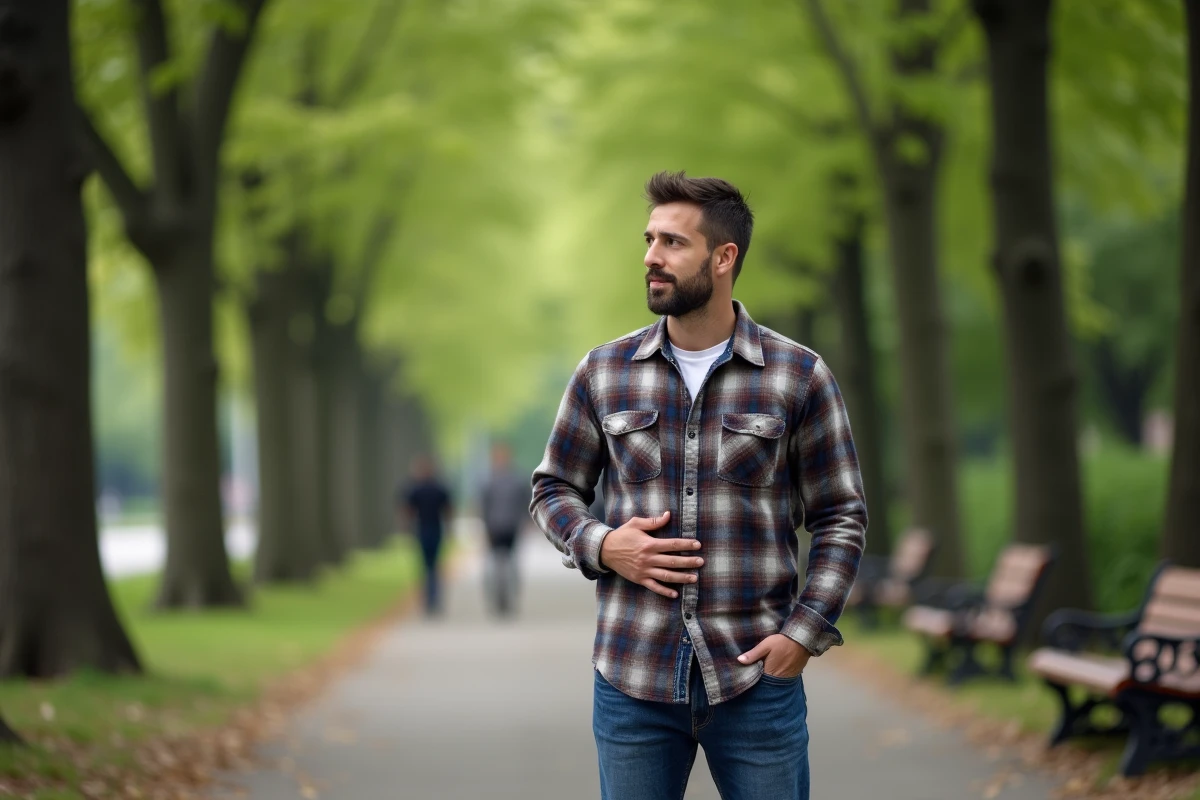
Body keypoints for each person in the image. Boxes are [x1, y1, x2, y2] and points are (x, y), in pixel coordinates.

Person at [530, 171, 867, 800]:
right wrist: (603, 545)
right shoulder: (604, 373)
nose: (652, 257)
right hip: (633, 678)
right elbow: (554, 488)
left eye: (673, 243)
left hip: (755, 680)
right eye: (650, 240)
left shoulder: (798, 376)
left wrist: (806, 630)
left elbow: (841, 513)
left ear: (723, 258)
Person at [479, 441, 531, 617]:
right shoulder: (488, 481)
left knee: (511, 563)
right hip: (494, 527)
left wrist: (525, 521)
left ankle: (511, 597)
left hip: (512, 527)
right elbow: (483, 505)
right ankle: (496, 598)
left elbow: (526, 502)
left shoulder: (518, 480)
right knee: (494, 565)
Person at [399, 455, 453, 617]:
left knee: (426, 566)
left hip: (423, 530)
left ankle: (429, 599)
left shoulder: (415, 489)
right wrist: (449, 529)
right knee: (434, 566)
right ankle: (433, 598)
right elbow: (448, 510)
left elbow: (407, 511)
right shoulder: (439, 488)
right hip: (434, 530)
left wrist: (405, 528)